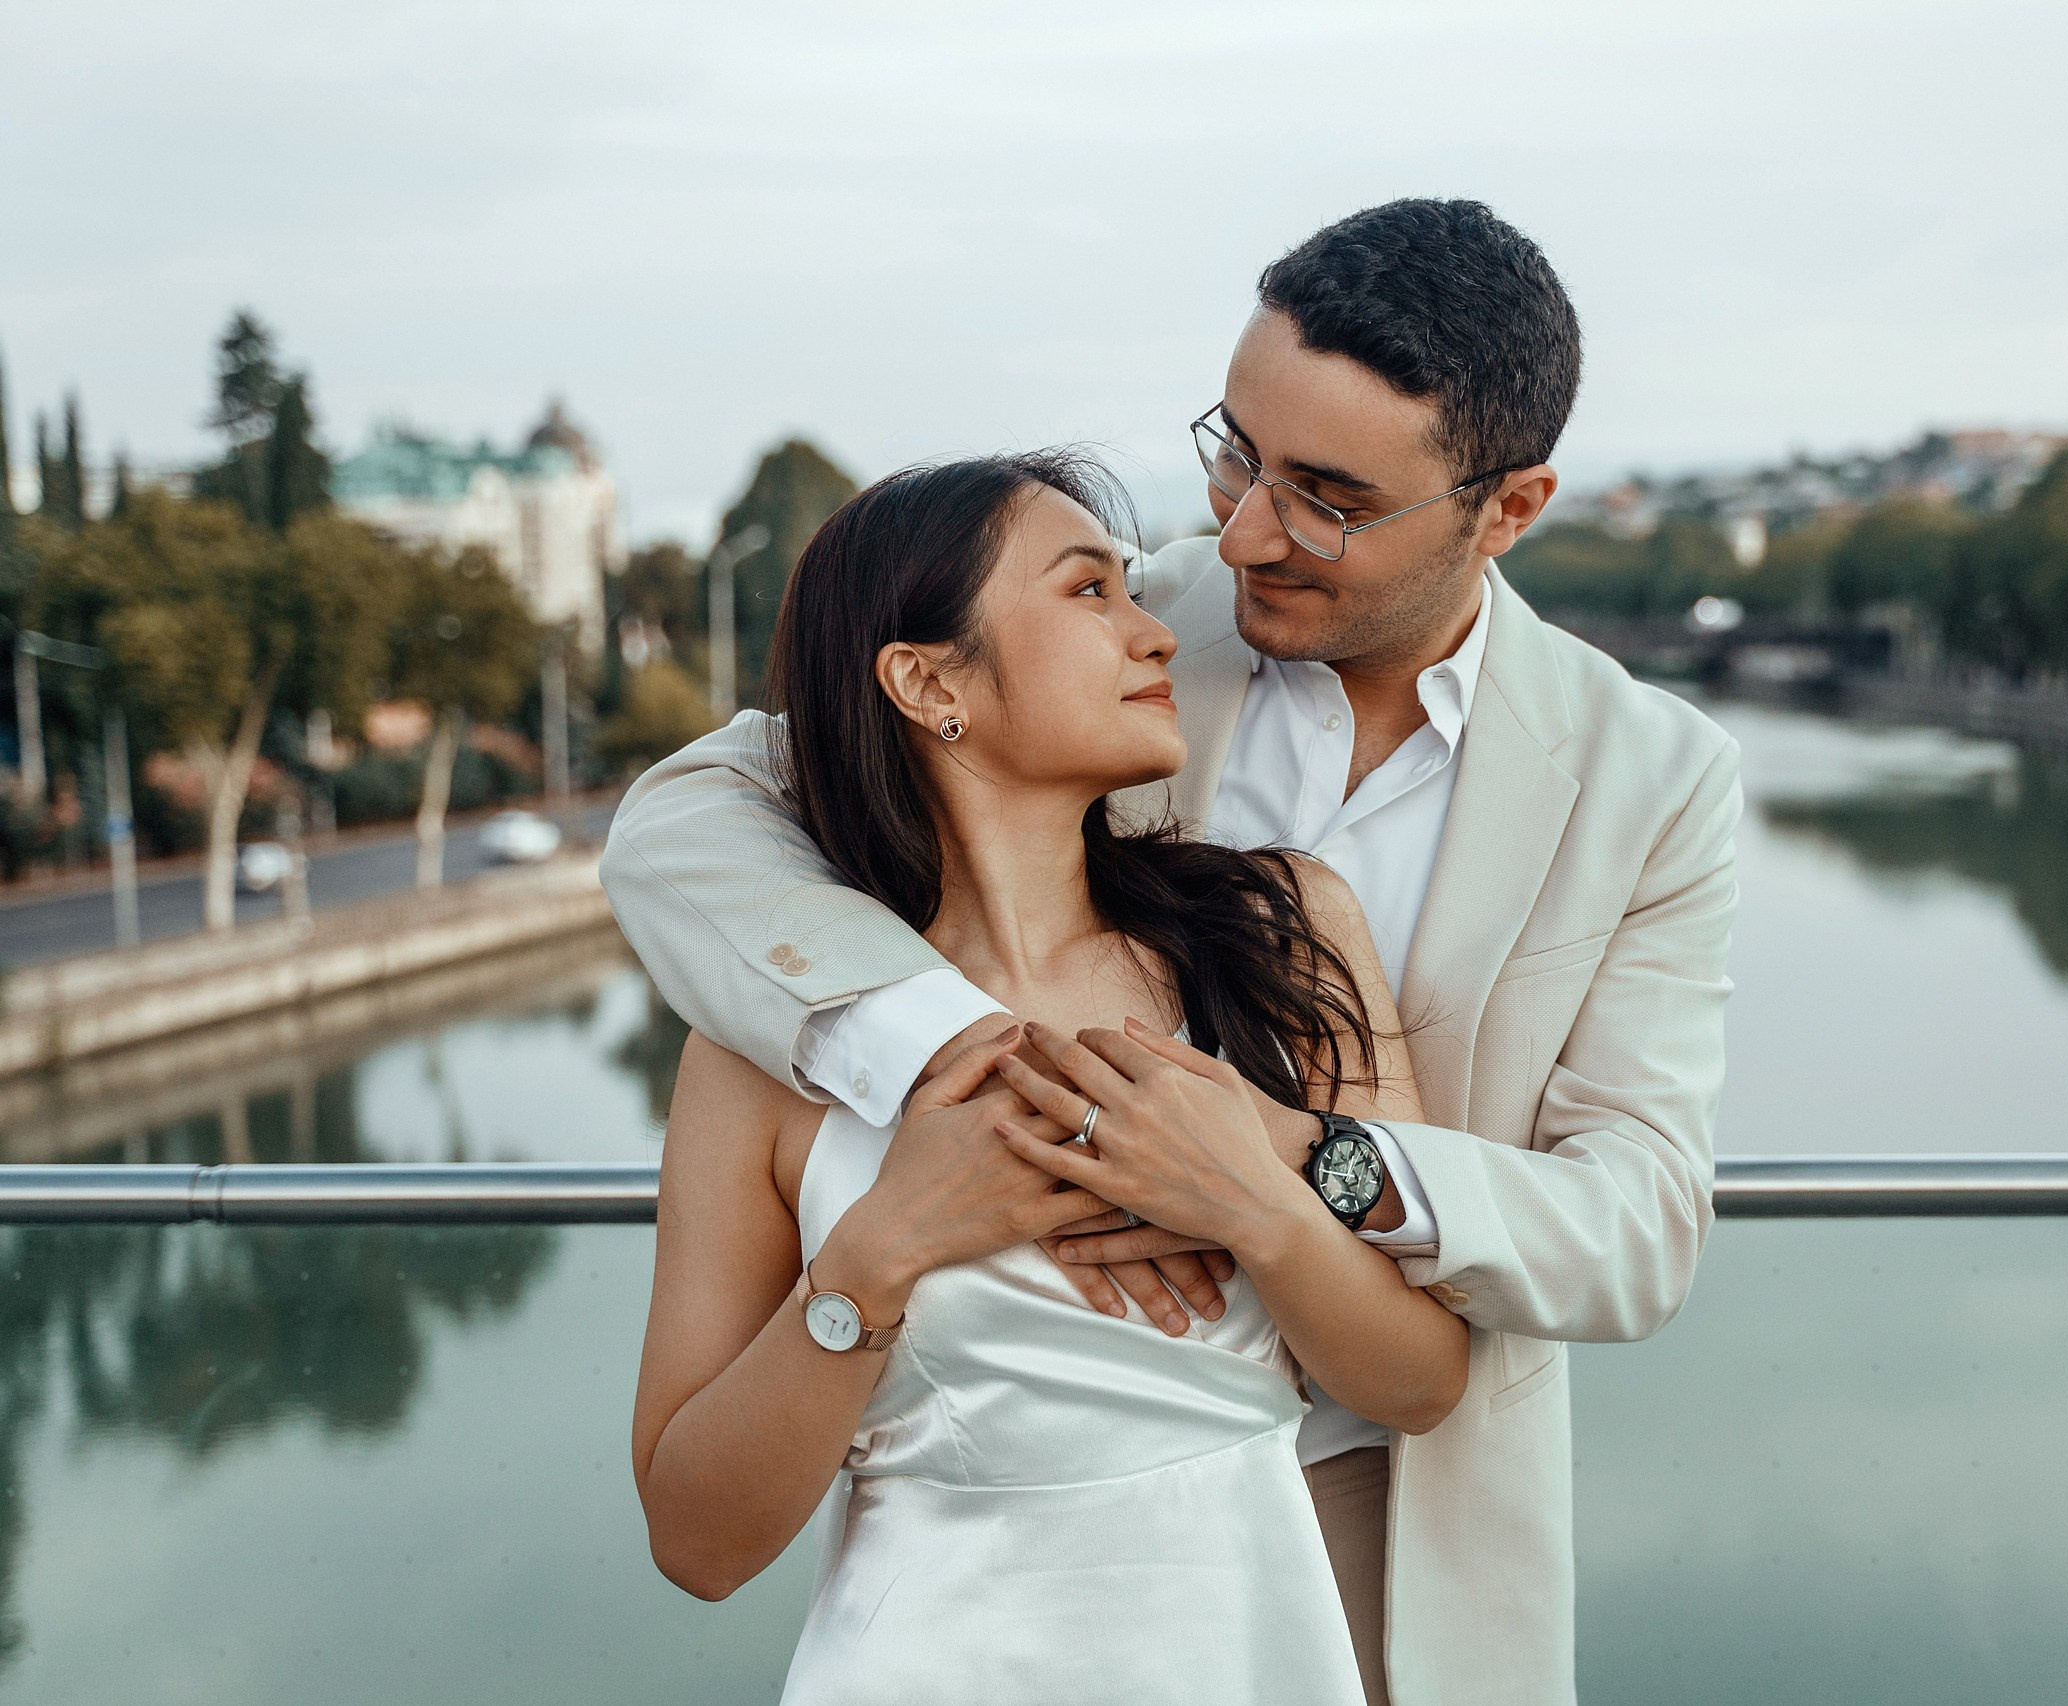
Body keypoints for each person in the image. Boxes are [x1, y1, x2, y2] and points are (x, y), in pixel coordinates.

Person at [606, 198, 1742, 1706]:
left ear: (1507, 507)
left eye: (1327, 498)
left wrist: (1282, 1159)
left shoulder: (1651, 776)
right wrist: (952, 1063)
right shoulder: (1138, 625)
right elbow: (687, 814)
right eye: (1236, 454)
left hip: (1399, 1510)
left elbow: (1641, 1221)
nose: (1246, 531)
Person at [629, 452, 1470, 1706]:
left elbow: (1421, 1381)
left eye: (1131, 588)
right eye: (1088, 590)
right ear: (928, 682)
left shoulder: (1279, 932)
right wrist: (883, 1249)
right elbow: (697, 1544)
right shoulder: (764, 1054)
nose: (1153, 633)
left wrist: (1251, 1201)